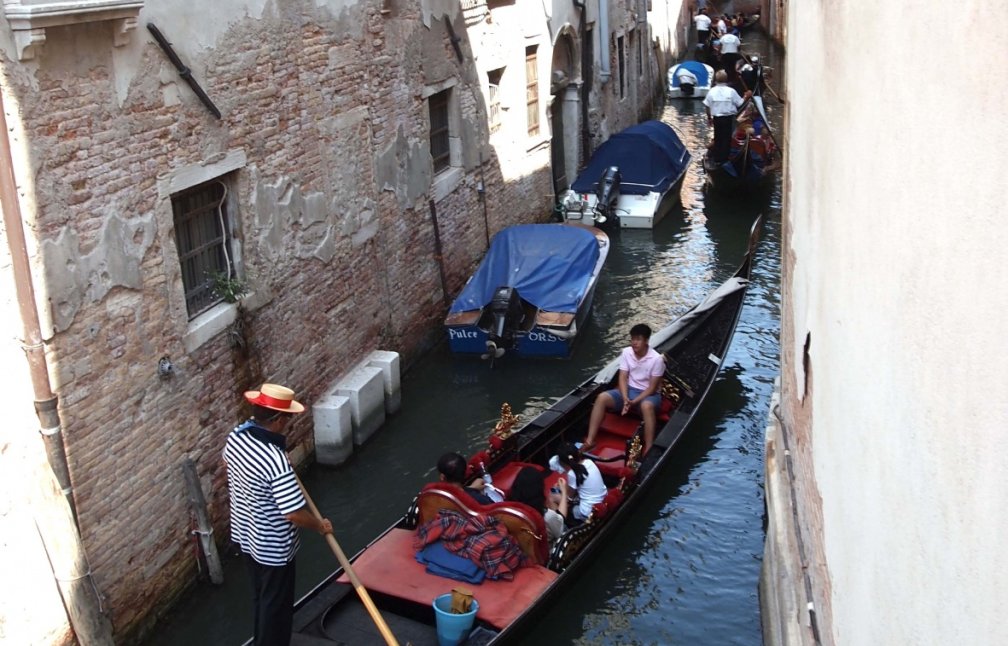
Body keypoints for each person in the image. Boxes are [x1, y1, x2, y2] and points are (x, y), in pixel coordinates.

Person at [223, 383, 333, 646]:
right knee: (277, 610)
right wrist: (320, 525)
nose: (289, 423)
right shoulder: (275, 461)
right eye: (288, 418)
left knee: (261, 599)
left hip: (246, 536)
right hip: (273, 548)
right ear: (279, 420)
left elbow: (228, 461)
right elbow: (293, 514)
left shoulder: (237, 436)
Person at [582, 323, 666, 455]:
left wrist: (634, 401)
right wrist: (626, 397)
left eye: (638, 339)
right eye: (632, 339)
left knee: (646, 407)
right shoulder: (627, 352)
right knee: (601, 398)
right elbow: (622, 377)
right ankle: (590, 440)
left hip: (649, 396)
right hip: (629, 390)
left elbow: (652, 388)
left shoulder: (657, 359)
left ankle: (649, 447)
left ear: (646, 341)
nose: (634, 343)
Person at [507, 466, 567, 544]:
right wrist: (564, 491)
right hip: (549, 548)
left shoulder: (510, 510)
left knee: (552, 499)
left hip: (525, 545)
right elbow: (561, 524)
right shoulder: (547, 516)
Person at [704, 70, 751, 163]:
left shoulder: (711, 91)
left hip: (717, 119)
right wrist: (746, 96)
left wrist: (709, 118)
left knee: (718, 138)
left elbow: (707, 106)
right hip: (728, 119)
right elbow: (740, 103)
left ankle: (718, 159)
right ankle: (724, 159)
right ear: (726, 79)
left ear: (716, 80)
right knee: (726, 139)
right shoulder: (731, 91)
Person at [552, 442, 607, 522]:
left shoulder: (572, 474)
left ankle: (560, 525)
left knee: (553, 498)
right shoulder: (589, 462)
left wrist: (562, 488)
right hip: (603, 500)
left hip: (588, 512)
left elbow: (569, 497)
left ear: (563, 463)